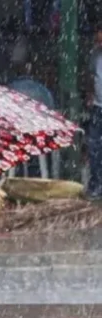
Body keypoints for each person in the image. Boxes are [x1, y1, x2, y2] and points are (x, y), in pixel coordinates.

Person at [86, 28, 102, 201]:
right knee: (94, 147)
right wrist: (90, 94)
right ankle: (96, 184)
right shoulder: (95, 55)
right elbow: (91, 75)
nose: (99, 44)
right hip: (98, 106)